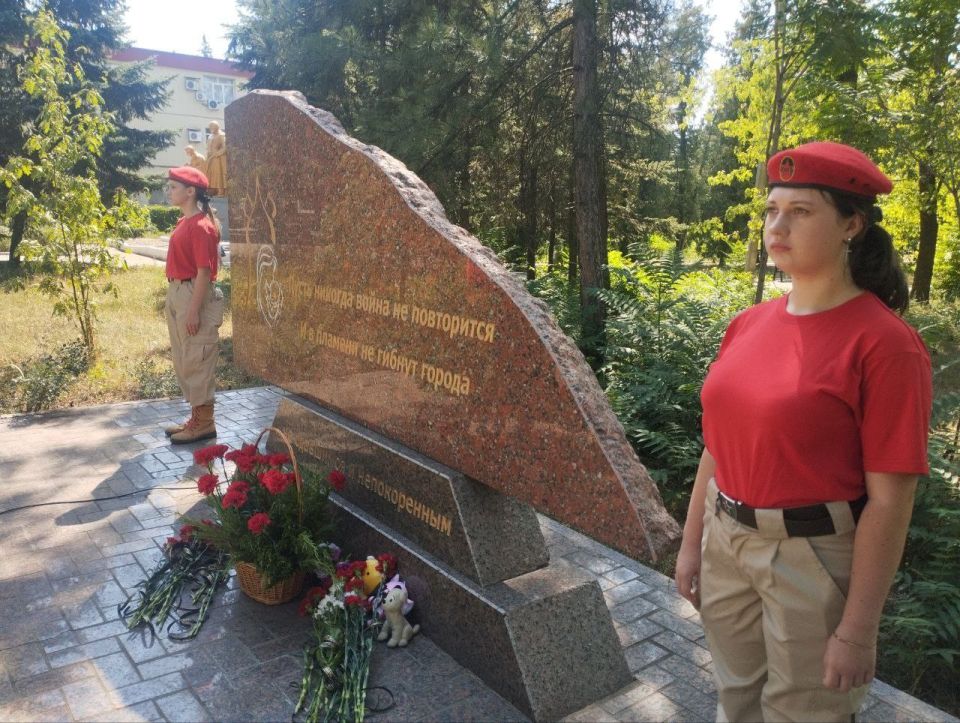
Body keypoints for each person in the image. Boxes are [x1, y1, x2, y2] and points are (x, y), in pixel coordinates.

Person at [674, 141, 932, 722]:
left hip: (811, 560)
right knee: (736, 703)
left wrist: (858, 630)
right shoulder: (747, 324)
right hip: (727, 543)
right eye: (771, 210)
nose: (778, 225)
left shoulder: (886, 345)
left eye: (801, 211)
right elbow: (716, 448)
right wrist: (692, 545)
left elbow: (891, 500)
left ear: (852, 225)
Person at [163, 166, 225, 444]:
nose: (169, 191)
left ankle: (204, 423)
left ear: (190, 192)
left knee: (198, 357)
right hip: (178, 290)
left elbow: (204, 272)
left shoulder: (201, 227)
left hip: (193, 293)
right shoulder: (184, 222)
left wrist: (192, 310)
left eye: (174, 187)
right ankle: (196, 418)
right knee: (186, 357)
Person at [205, 120, 227, 196]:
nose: (211, 128)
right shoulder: (210, 136)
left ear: (216, 126)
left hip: (218, 158)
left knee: (219, 174)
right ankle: (213, 189)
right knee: (211, 174)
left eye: (212, 126)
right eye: (210, 127)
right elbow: (208, 147)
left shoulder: (222, 135)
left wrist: (217, 154)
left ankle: (221, 190)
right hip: (210, 158)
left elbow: (225, 147)